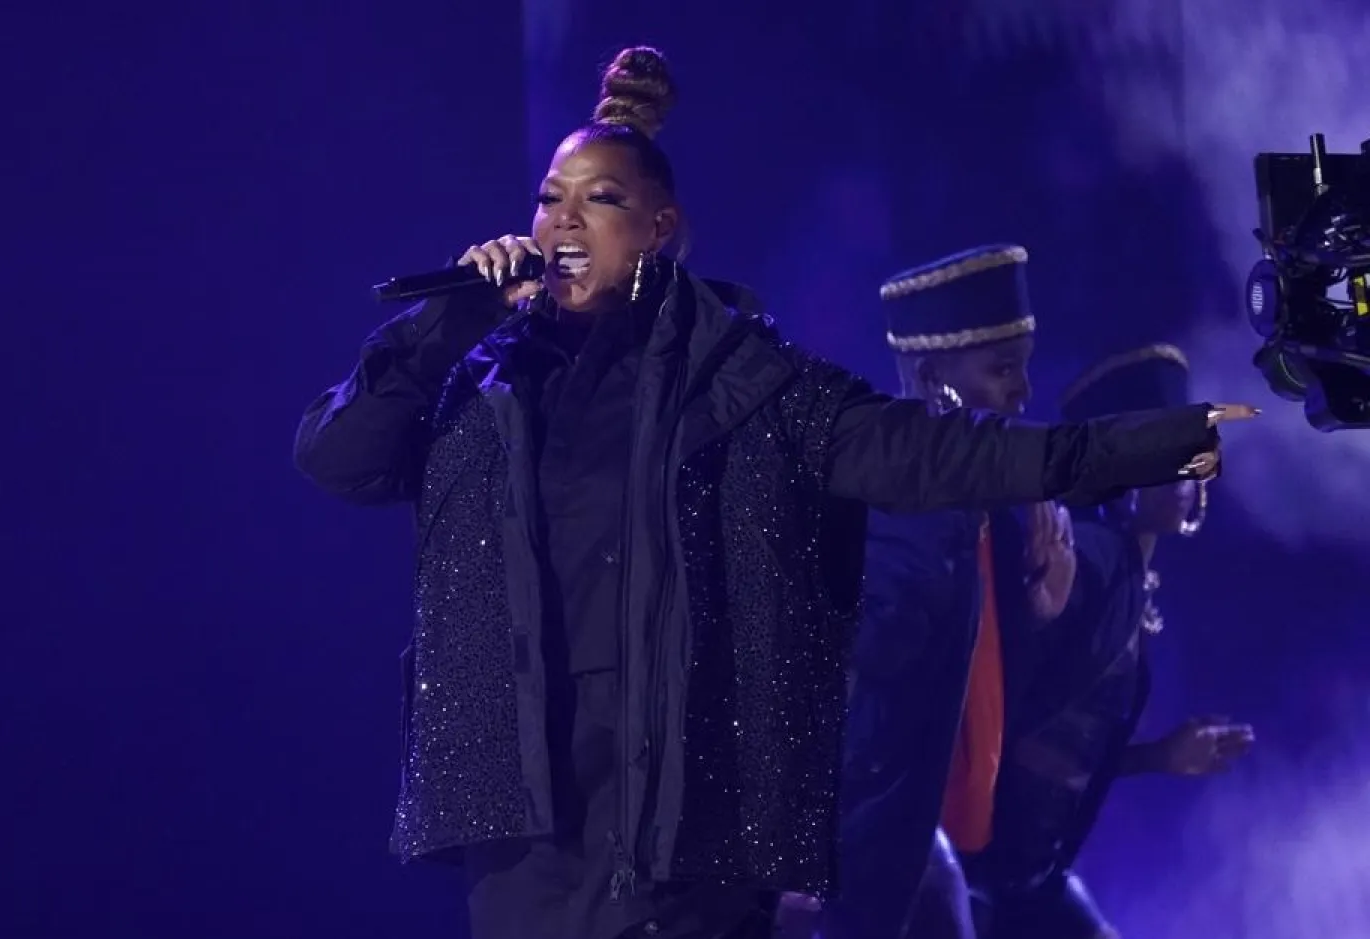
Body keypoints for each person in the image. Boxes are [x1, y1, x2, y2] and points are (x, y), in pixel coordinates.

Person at [293, 46, 1250, 939]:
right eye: (550, 201)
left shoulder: (746, 388)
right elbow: (340, 459)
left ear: (661, 231)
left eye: (600, 199)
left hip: (690, 840)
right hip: (528, 839)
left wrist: (1164, 441)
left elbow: (941, 455)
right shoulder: (486, 382)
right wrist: (448, 320)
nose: (563, 223)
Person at [800, 245, 1075, 939]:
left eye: (1024, 366)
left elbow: (977, 702)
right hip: (854, 846)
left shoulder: (990, 519)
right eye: (1002, 369)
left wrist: (1039, 615)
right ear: (932, 380)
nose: (1023, 392)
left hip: (926, 834)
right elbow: (845, 675)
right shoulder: (886, 506)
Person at [963, 344, 1256, 939]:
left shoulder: (1129, 573)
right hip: (981, 873)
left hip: (1032, 879)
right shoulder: (1094, 557)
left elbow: (1069, 752)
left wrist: (1160, 757)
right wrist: (1039, 612)